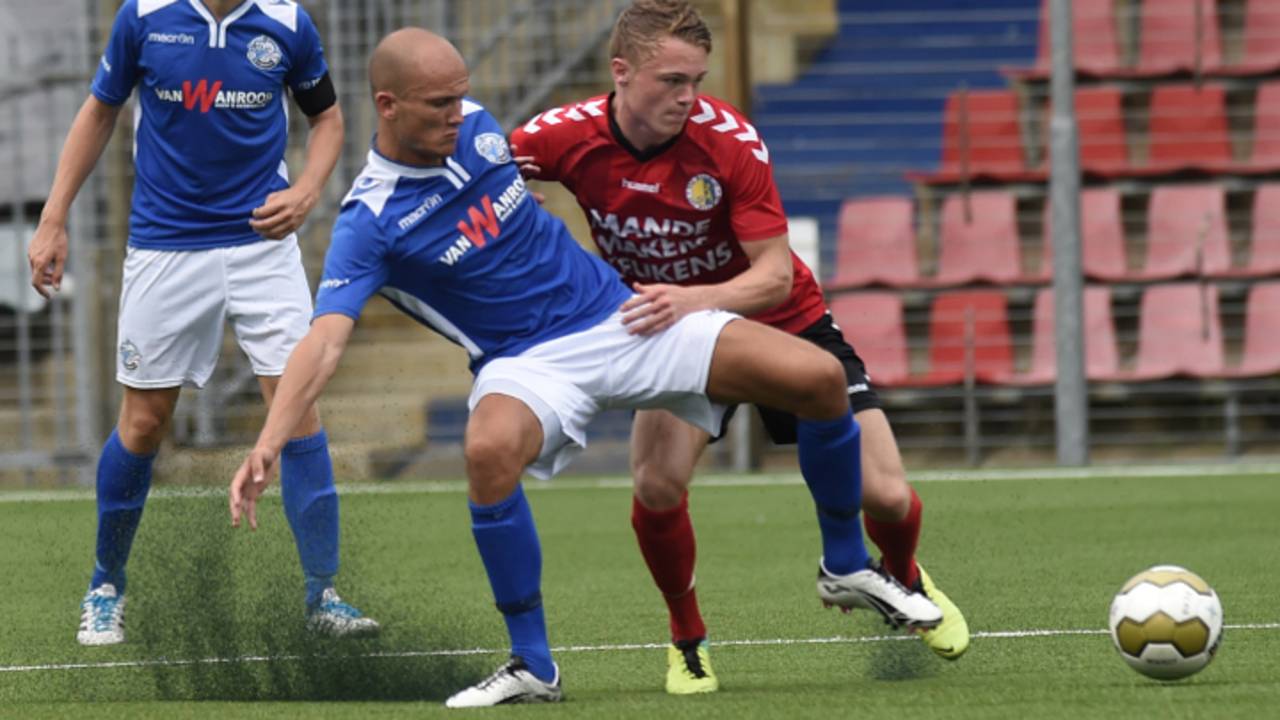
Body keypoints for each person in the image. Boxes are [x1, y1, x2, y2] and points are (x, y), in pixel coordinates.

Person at [227, 27, 942, 708]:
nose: (459, 112)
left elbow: (511, 171)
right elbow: (322, 342)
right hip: (525, 363)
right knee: (488, 450)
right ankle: (533, 664)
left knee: (818, 379)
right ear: (388, 106)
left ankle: (845, 563)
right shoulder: (368, 222)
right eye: (439, 103)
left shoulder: (479, 129)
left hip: (618, 317)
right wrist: (269, 441)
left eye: (461, 96)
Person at [508, 0, 970, 694]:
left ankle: (898, 574)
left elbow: (774, 275)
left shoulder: (729, 142)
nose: (687, 97)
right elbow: (478, 174)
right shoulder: (561, 135)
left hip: (777, 317)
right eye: (671, 81)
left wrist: (689, 297)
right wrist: (516, 213)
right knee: (656, 484)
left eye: (696, 79)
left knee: (889, 494)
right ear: (621, 71)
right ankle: (687, 641)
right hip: (672, 335)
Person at [28, 0, 378, 645]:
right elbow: (100, 108)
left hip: (261, 245)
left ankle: (322, 595)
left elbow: (326, 118)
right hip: (166, 245)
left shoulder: (288, 22)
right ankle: (106, 583)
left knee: (298, 408)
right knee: (144, 421)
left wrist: (306, 191)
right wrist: (54, 217)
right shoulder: (144, 16)